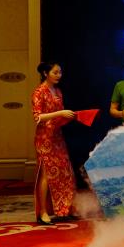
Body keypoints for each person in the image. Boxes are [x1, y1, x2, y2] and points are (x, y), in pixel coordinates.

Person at [32, 61, 77, 224]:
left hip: (57, 136)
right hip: (45, 138)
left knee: (65, 171)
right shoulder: (39, 92)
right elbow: (37, 117)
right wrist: (60, 113)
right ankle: (43, 212)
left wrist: (70, 117)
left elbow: (59, 116)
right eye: (55, 72)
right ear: (46, 73)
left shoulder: (57, 91)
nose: (59, 75)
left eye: (60, 72)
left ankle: (64, 209)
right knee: (46, 174)